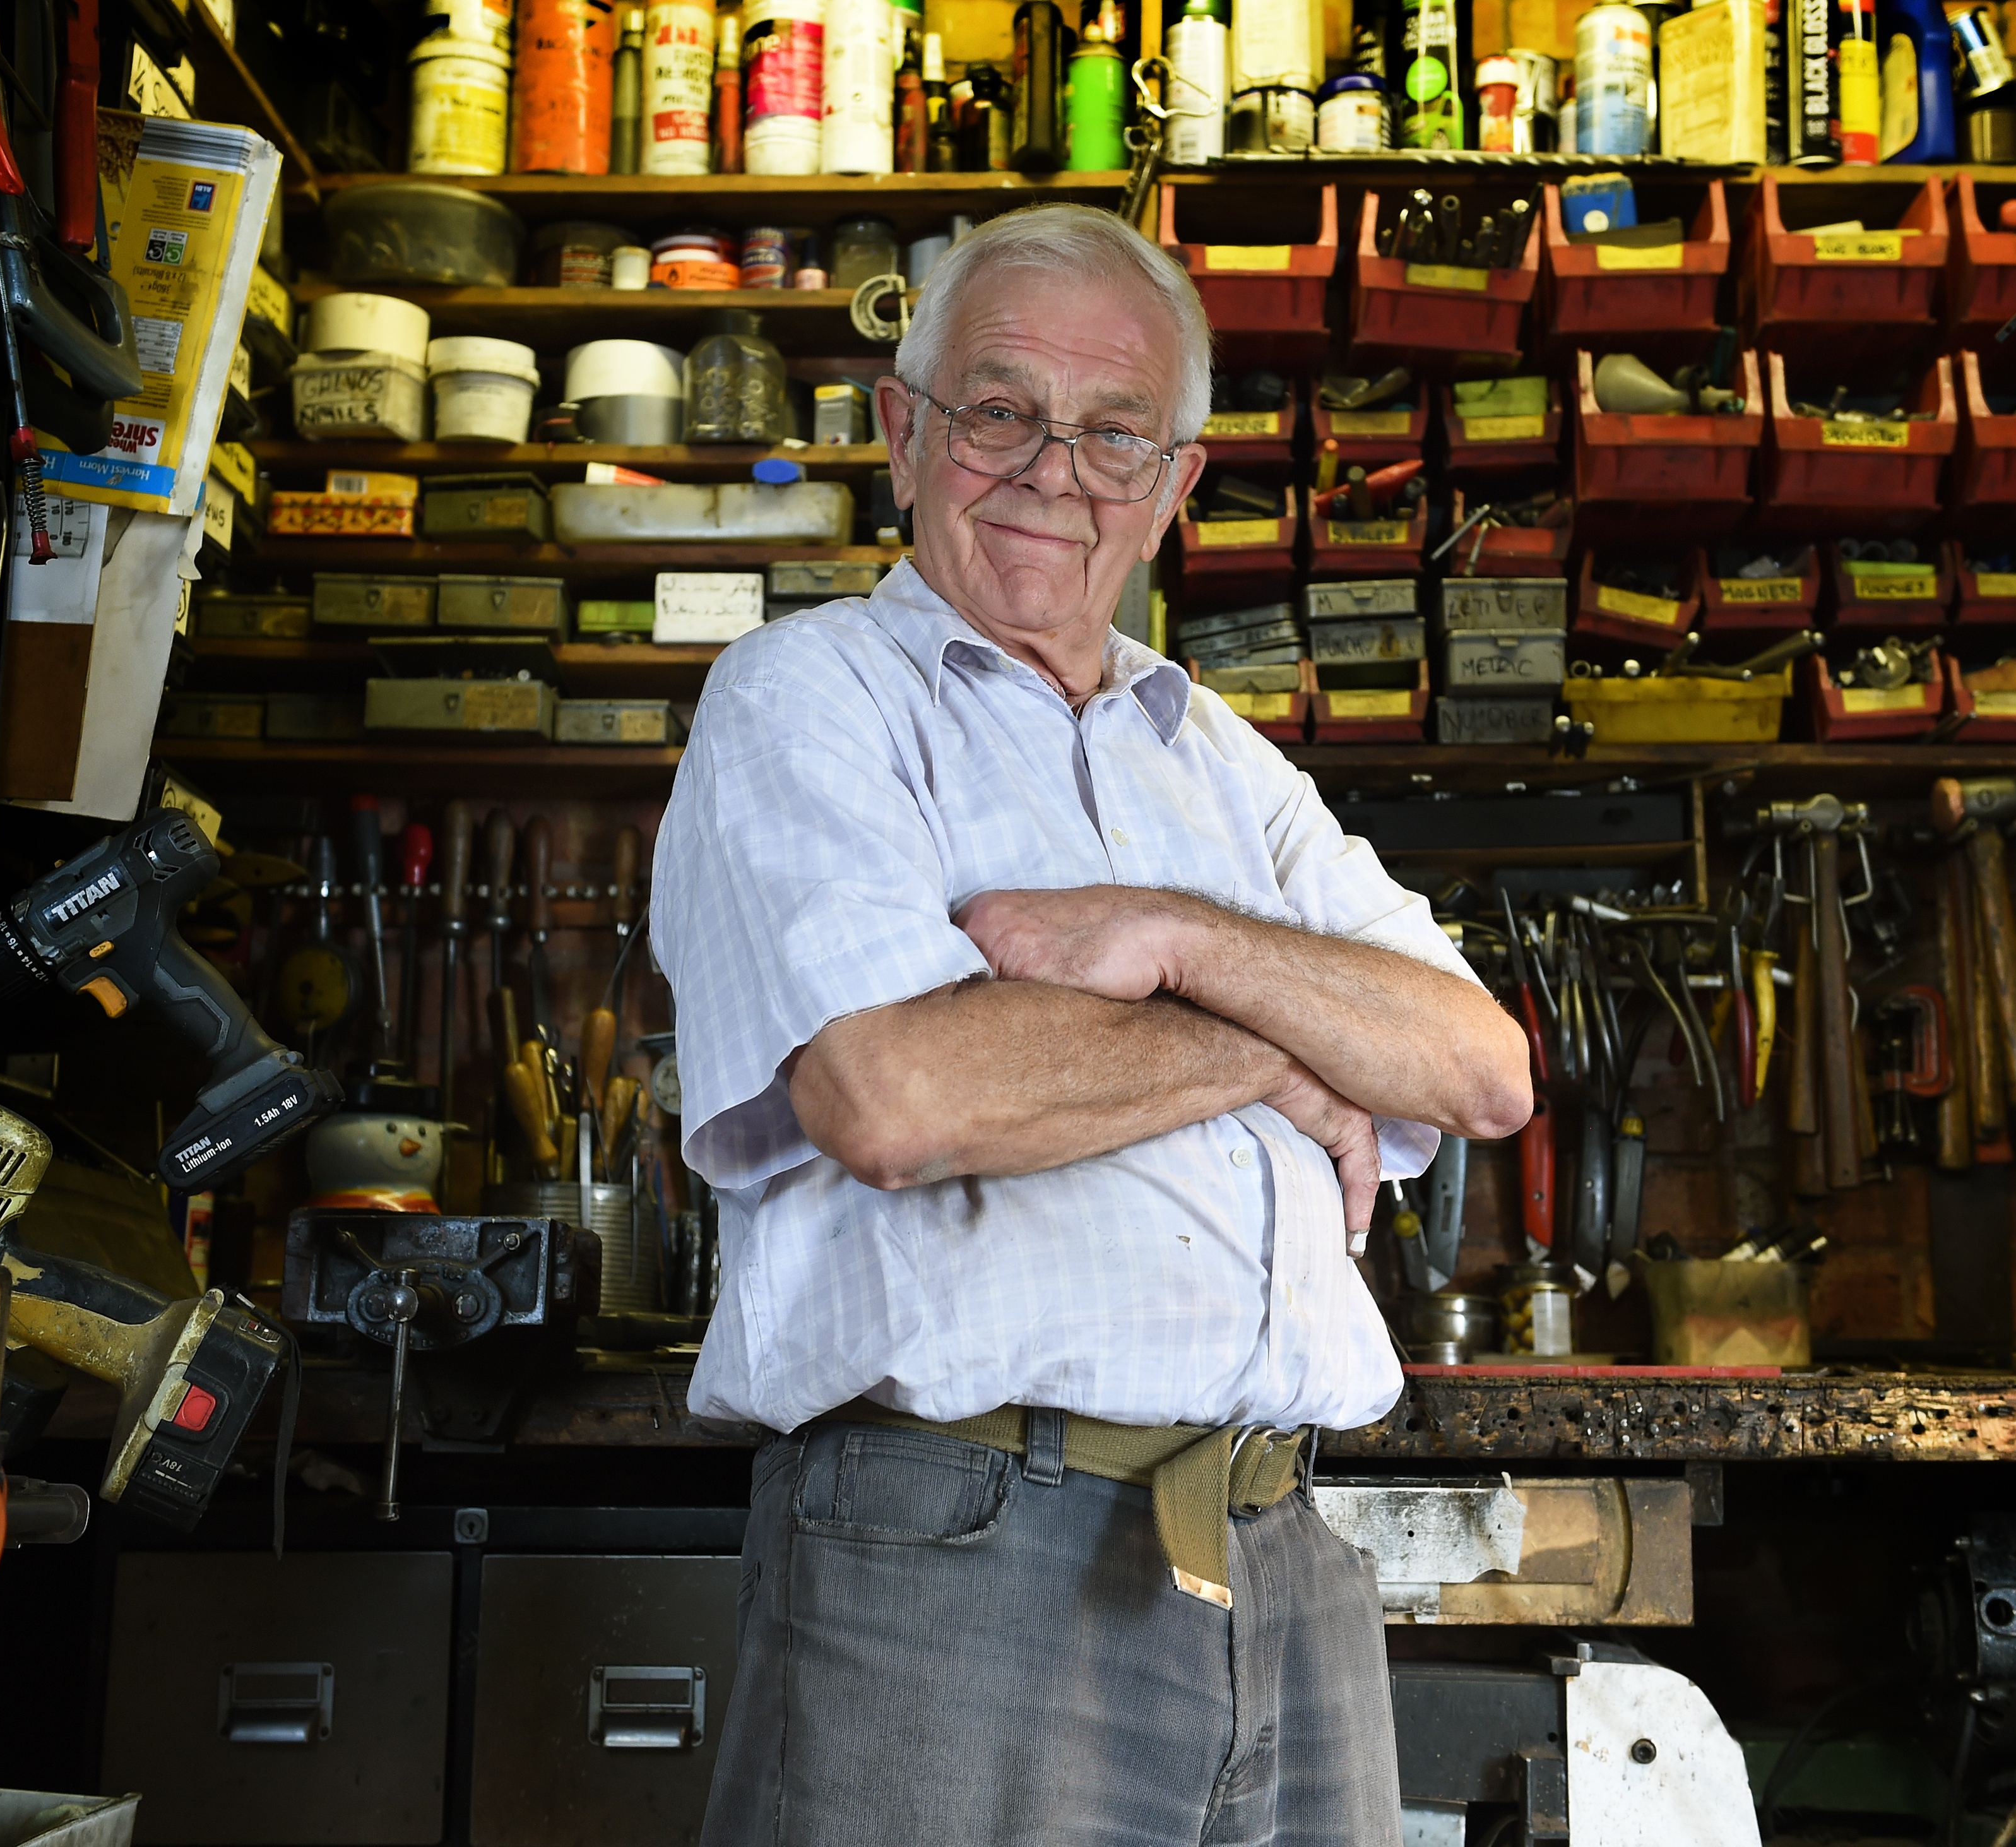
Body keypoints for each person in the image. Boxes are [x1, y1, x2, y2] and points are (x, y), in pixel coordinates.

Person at [650, 202, 1533, 1847]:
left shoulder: (1219, 764)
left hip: (1274, 1537)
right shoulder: (809, 695)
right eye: (999, 411)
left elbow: (1478, 1065)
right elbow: (892, 1091)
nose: (1056, 471)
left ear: (1175, 485)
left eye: (1113, 432)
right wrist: (1277, 1039)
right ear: (903, 435)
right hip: (960, 1533)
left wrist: (1172, 938)